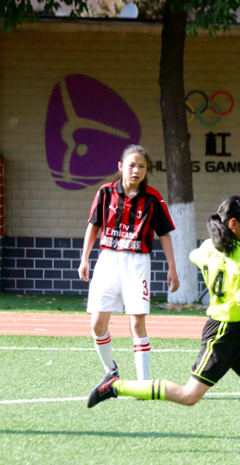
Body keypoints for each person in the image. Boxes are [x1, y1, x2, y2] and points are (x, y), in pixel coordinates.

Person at [87, 195, 240, 451]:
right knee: (188, 396)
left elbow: (195, 255)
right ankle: (116, 386)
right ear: (233, 224)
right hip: (223, 334)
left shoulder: (208, 246)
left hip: (237, 331)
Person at [78, 145, 179, 381]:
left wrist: (172, 267)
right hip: (108, 260)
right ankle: (110, 370)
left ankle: (144, 382)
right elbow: (93, 226)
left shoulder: (153, 198)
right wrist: (85, 259)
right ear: (121, 166)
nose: (136, 170)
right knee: (97, 324)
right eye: (131, 165)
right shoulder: (105, 193)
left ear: (146, 169)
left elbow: (164, 234)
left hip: (137, 263)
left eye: (142, 166)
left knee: (137, 323)